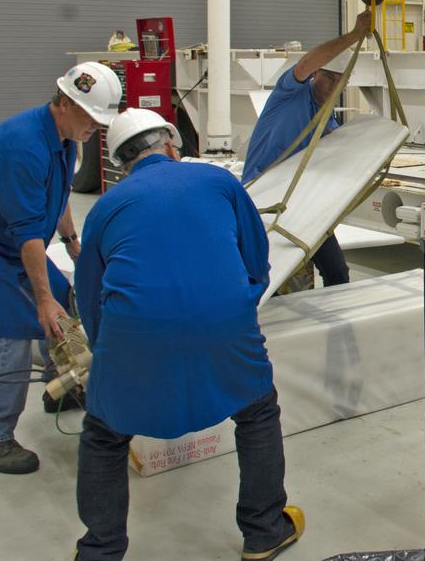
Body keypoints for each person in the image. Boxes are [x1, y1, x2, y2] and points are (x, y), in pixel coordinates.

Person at [72, 109, 304, 561]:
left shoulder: (105, 208)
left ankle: (100, 551)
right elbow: (257, 261)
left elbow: (90, 294)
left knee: (103, 434)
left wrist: (110, 358)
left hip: (131, 335)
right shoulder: (219, 183)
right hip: (225, 324)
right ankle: (263, 532)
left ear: (121, 163)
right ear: (172, 146)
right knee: (256, 412)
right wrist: (232, 306)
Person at [0, 62, 122, 474]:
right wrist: (42, 301)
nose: (96, 128)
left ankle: (62, 385)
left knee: (62, 293)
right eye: (92, 118)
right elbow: (27, 234)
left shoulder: (65, 137)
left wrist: (72, 244)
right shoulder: (23, 146)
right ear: (65, 103)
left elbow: (58, 194)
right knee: (15, 322)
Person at [242, 10, 373, 288]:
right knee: (274, 277)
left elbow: (341, 153)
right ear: (316, 74)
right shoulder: (289, 94)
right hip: (264, 199)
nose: (333, 87)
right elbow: (305, 63)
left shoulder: (328, 120)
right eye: (329, 78)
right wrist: (354, 35)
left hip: (302, 204)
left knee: (337, 272)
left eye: (341, 82)